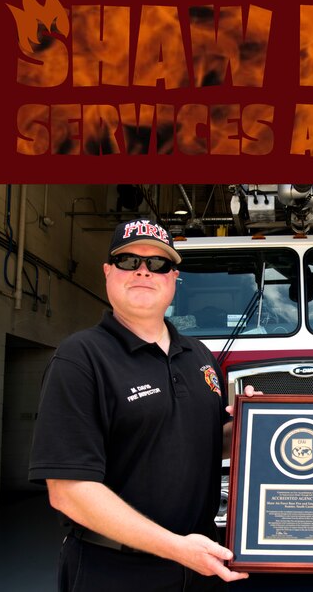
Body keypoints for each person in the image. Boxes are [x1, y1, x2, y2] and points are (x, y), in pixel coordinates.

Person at [28, 218, 248, 591]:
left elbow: (208, 439)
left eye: (159, 264)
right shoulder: (80, 359)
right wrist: (177, 548)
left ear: (174, 279)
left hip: (201, 567)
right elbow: (68, 490)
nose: (144, 271)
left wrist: (253, 427)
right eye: (129, 261)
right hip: (115, 571)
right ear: (108, 273)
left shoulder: (200, 356)